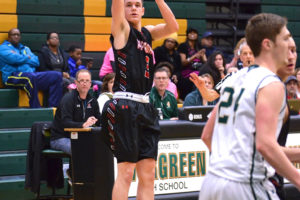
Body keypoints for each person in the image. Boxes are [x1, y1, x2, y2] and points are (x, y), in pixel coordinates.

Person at [199, 13, 300, 200]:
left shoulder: (234, 78)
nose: (289, 45)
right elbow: (265, 145)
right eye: (285, 39)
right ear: (268, 44)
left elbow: (207, 135)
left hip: (211, 183)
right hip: (245, 184)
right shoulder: (271, 83)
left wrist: (229, 165)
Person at [100, 0, 178, 199]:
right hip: (125, 104)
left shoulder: (148, 34)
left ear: (143, 10)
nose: (133, 8)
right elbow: (115, 6)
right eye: (129, 5)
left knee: (149, 174)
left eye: (137, 5)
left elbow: (173, 27)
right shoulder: (122, 30)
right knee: (126, 172)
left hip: (146, 105)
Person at [0, 28, 63, 108]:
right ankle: (36, 108)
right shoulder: (3, 48)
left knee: (56, 75)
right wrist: (28, 58)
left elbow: (36, 61)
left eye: (18, 35)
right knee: (30, 77)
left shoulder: (25, 48)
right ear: (9, 37)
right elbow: (14, 59)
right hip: (11, 77)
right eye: (14, 35)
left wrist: (22, 58)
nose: (16, 36)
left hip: (31, 74)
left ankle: (54, 108)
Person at [50, 69, 101, 155]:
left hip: (81, 137)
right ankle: (76, 169)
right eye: (81, 81)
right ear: (76, 83)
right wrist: (83, 125)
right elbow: (65, 122)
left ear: (90, 84)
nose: (84, 83)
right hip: (61, 138)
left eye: (87, 81)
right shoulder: (68, 99)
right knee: (80, 149)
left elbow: (99, 119)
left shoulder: (92, 100)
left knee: (102, 146)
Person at [177, 27, 207, 99]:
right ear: (187, 35)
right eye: (190, 33)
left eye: (194, 33)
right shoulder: (183, 46)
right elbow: (183, 62)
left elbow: (206, 62)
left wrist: (202, 55)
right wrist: (195, 56)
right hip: (187, 71)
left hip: (199, 70)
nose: (193, 34)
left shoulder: (199, 46)